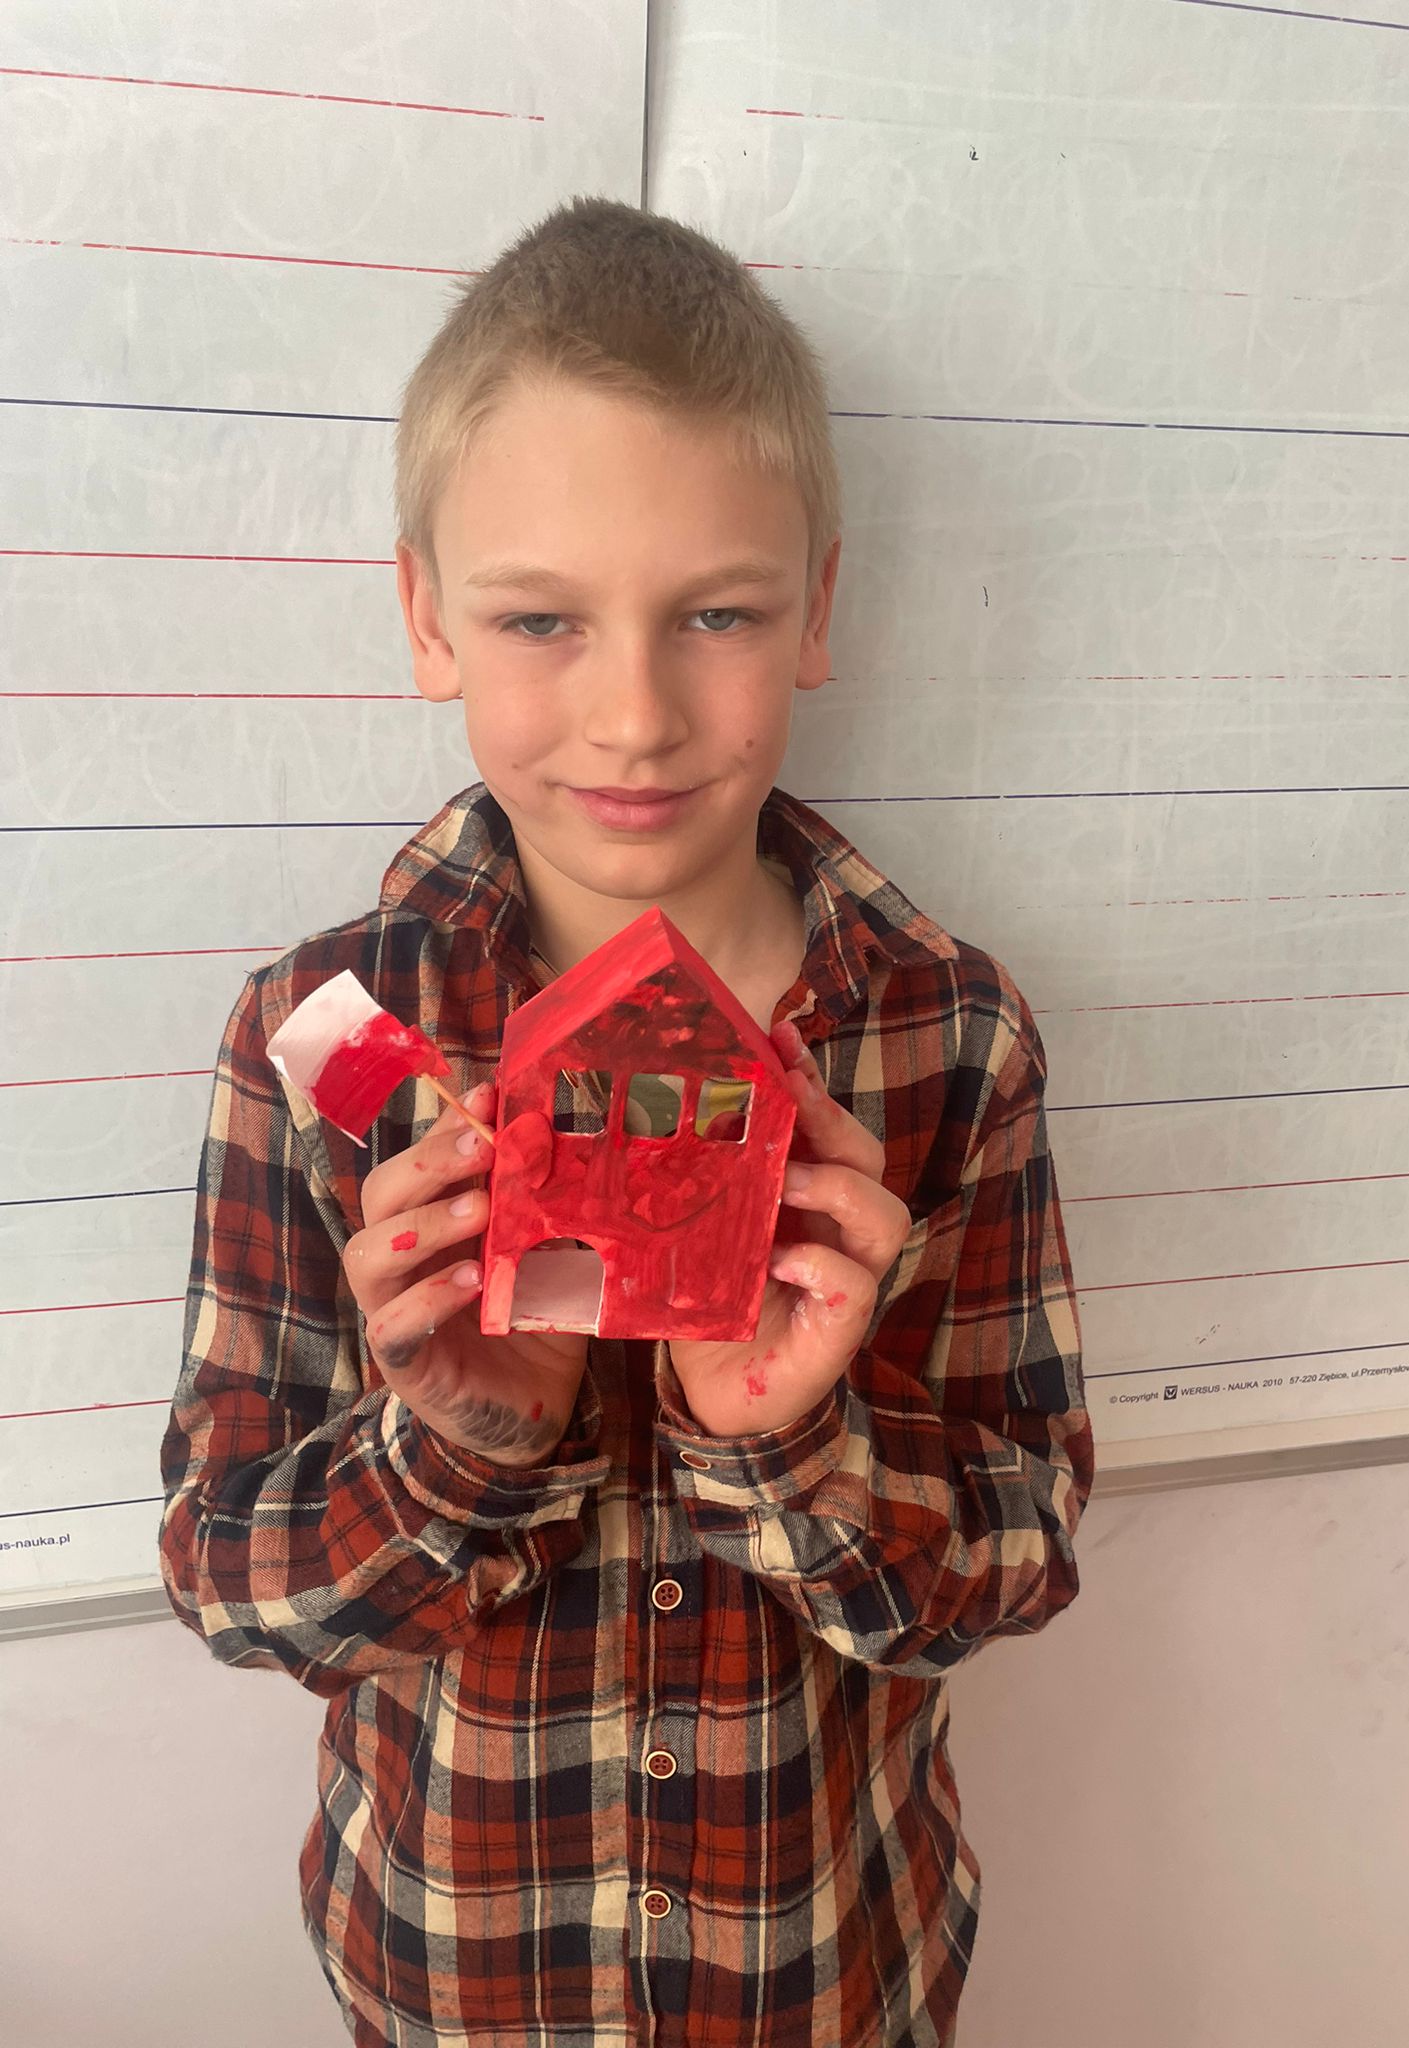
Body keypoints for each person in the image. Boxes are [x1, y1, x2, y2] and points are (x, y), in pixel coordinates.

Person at [158, 193, 1094, 2048]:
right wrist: (457, 1448)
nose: (636, 715)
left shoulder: (940, 1035)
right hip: (454, 1983)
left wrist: (796, 1448)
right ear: (428, 619)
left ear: (818, 609)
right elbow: (231, 1581)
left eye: (717, 614)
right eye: (540, 619)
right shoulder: (328, 1043)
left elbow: (1021, 1552)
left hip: (829, 1979)